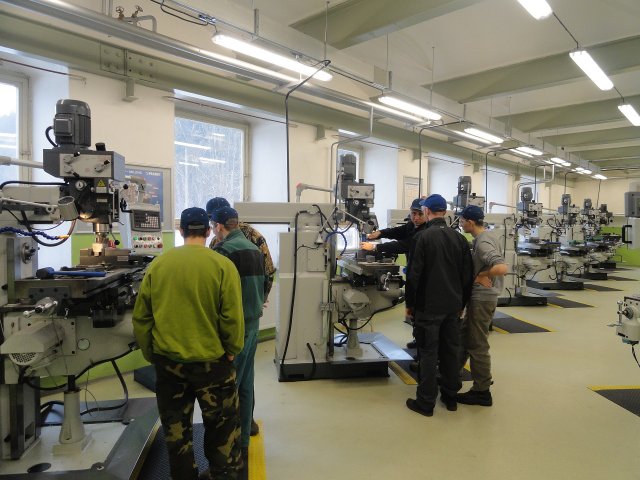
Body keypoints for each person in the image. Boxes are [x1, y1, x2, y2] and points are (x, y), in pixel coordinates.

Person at [132, 207, 244, 480]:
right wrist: (232, 350)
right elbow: (232, 317)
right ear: (207, 231)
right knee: (222, 432)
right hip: (213, 366)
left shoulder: (158, 265)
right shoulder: (222, 266)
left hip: (169, 366)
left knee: (176, 435)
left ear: (181, 231)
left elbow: (142, 318)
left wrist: (152, 354)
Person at [206, 196, 273, 437]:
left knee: (229, 383)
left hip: (235, 324)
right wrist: (259, 298)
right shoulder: (254, 242)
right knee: (246, 380)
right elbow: (268, 272)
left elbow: (215, 289)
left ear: (217, 224)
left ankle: (229, 442)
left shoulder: (221, 248)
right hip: (252, 319)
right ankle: (245, 431)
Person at [404, 194, 474, 417]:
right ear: (444, 212)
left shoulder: (422, 238)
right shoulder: (459, 239)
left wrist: (410, 304)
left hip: (428, 307)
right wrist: (461, 303)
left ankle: (425, 402)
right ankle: (451, 397)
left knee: (428, 353)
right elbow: (467, 276)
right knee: (450, 351)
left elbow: (413, 275)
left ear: (426, 211)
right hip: (453, 306)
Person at [457, 205, 508, 407]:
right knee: (464, 336)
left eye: (462, 221)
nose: (461, 224)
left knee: (477, 344)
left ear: (470, 222)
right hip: (480, 298)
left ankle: (482, 391)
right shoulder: (486, 237)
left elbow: (501, 267)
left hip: (482, 298)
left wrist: (481, 275)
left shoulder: (483, 242)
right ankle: (451, 375)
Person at [360, 197, 427, 349]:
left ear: (427, 213)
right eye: (413, 213)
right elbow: (397, 232)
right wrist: (380, 233)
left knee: (422, 311)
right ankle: (418, 339)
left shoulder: (425, 231)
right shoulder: (412, 225)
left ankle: (424, 346)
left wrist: (375, 248)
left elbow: (404, 245)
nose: (416, 218)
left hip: (424, 276)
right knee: (413, 310)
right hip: (413, 272)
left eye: (420, 214)